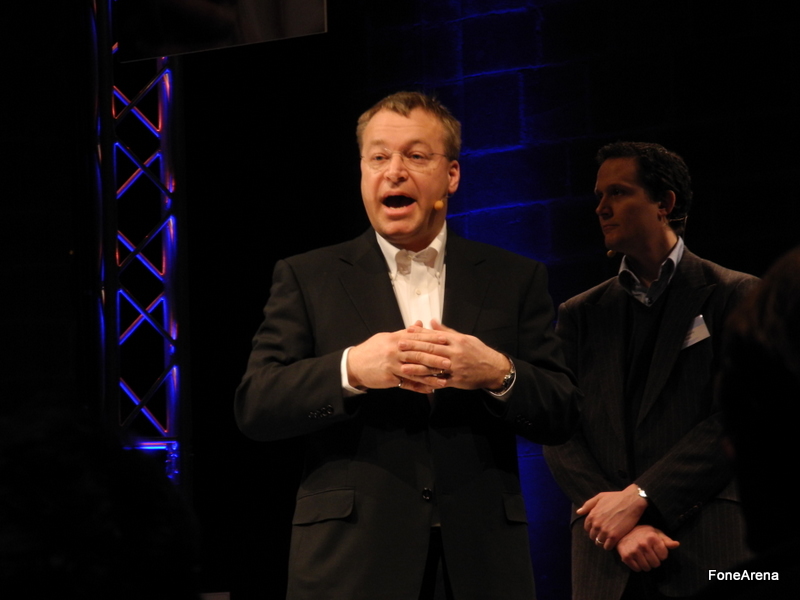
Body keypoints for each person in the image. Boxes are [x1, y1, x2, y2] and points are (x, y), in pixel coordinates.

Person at [235, 91, 581, 600]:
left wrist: (497, 372)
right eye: (378, 157)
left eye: (416, 156)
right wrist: (352, 369)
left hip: (481, 563)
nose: (394, 172)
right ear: (362, 172)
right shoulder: (308, 276)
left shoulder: (513, 277)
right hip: (351, 564)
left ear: (452, 175)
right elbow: (256, 404)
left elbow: (563, 413)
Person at [544, 142, 758, 599]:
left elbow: (739, 417)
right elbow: (559, 427)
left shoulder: (733, 294)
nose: (601, 207)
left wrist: (642, 498)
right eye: (599, 195)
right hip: (607, 558)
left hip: (706, 545)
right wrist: (618, 522)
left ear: (665, 203)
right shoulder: (580, 313)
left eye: (618, 192)